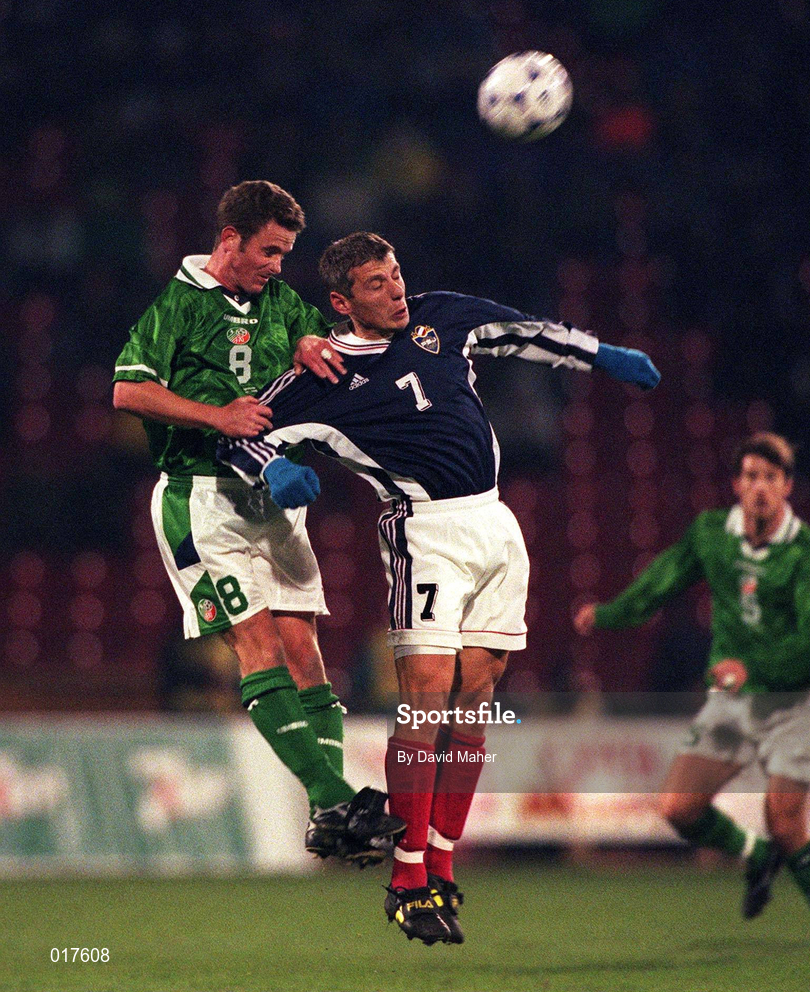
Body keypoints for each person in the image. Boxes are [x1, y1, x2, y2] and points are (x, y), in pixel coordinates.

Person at [218, 231, 660, 944]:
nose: (394, 290)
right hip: (424, 532)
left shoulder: (442, 317)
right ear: (341, 301)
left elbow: (526, 333)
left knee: (477, 701)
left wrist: (601, 355)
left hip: (495, 526)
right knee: (425, 700)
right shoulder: (322, 372)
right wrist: (272, 469)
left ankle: (444, 868)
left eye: (395, 274)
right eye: (375, 283)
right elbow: (238, 433)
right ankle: (406, 878)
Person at [113, 184, 403, 864]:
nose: (277, 264)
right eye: (269, 251)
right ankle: (335, 795)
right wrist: (218, 417)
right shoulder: (178, 304)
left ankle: (328, 812)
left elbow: (313, 338)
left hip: (273, 505)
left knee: (308, 654)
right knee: (258, 644)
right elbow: (128, 389)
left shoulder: (279, 300)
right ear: (229, 240)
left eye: (285, 252)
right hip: (202, 500)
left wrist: (311, 340)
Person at [573, 432, 810, 959]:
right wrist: (611, 613)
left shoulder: (806, 554)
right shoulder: (712, 533)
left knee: (785, 817)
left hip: (795, 700)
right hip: (736, 695)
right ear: (736, 485)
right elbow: (664, 579)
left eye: (771, 478)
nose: (760, 488)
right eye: (751, 477)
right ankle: (754, 856)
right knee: (677, 807)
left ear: (787, 487)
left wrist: (748, 669)